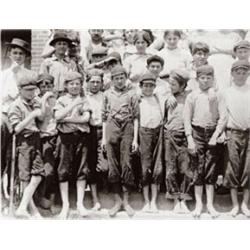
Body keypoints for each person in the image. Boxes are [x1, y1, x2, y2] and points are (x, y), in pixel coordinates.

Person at [184, 65, 227, 218]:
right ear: (197, 79)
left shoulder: (218, 95)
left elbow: (223, 117)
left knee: (211, 169)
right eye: (202, 78)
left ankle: (209, 204)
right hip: (197, 132)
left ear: (213, 79)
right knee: (197, 168)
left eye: (209, 78)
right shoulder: (192, 96)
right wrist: (189, 138)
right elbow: (187, 118)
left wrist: (216, 135)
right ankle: (198, 205)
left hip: (212, 131)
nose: (205, 80)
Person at [101, 66, 139, 217]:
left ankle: (126, 201)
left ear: (126, 78)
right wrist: (104, 138)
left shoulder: (132, 94)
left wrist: (135, 139)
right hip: (111, 126)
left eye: (122, 78)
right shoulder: (106, 94)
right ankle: (117, 201)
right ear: (112, 80)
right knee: (113, 165)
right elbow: (103, 117)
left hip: (127, 127)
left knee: (126, 164)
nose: (119, 81)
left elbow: (136, 117)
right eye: (116, 78)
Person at [54, 71, 91, 219]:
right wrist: (73, 106)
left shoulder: (84, 99)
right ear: (66, 85)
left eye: (77, 83)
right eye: (71, 84)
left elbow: (86, 118)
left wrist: (67, 119)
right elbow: (57, 116)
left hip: (81, 137)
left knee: (82, 169)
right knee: (63, 170)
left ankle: (80, 204)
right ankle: (65, 205)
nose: (75, 86)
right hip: (65, 138)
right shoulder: (61, 99)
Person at [8, 71, 45, 218]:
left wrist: (42, 108)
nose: (31, 93)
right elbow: (16, 129)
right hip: (23, 142)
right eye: (28, 90)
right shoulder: (15, 106)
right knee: (25, 177)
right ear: (20, 90)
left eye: (33, 90)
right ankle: (31, 209)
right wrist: (32, 115)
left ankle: (23, 207)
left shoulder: (34, 103)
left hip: (35, 140)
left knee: (38, 174)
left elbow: (42, 119)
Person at [223, 60, 250, 217]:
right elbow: (223, 114)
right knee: (232, 168)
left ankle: (245, 205)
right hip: (233, 133)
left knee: (248, 168)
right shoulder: (227, 92)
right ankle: (234, 205)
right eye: (237, 72)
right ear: (232, 74)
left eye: (244, 72)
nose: (241, 76)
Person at [164, 69, 193, 213]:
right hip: (170, 135)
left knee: (186, 169)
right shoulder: (167, 96)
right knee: (171, 169)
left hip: (186, 136)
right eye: (170, 84)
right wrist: (169, 95)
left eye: (174, 84)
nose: (170, 86)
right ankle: (175, 199)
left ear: (182, 85)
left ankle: (184, 199)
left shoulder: (190, 96)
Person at [138, 72, 163, 213]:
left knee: (157, 168)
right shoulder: (138, 99)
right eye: (145, 85)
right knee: (145, 168)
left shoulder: (158, 98)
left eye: (151, 86)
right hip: (144, 133)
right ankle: (146, 201)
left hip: (158, 133)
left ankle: (154, 201)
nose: (148, 88)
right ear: (140, 86)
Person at [36, 74, 58, 211]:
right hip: (41, 138)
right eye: (43, 86)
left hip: (55, 137)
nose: (46, 88)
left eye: (48, 85)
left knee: (55, 170)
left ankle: (53, 200)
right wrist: (44, 98)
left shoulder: (57, 100)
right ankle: (40, 198)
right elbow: (41, 116)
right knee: (45, 170)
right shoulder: (36, 100)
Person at [86, 69, 107, 211]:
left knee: (105, 166)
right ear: (87, 83)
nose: (95, 84)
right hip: (88, 132)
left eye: (97, 82)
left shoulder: (105, 97)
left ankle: (106, 191)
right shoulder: (83, 97)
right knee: (90, 166)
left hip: (103, 131)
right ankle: (95, 199)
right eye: (92, 82)